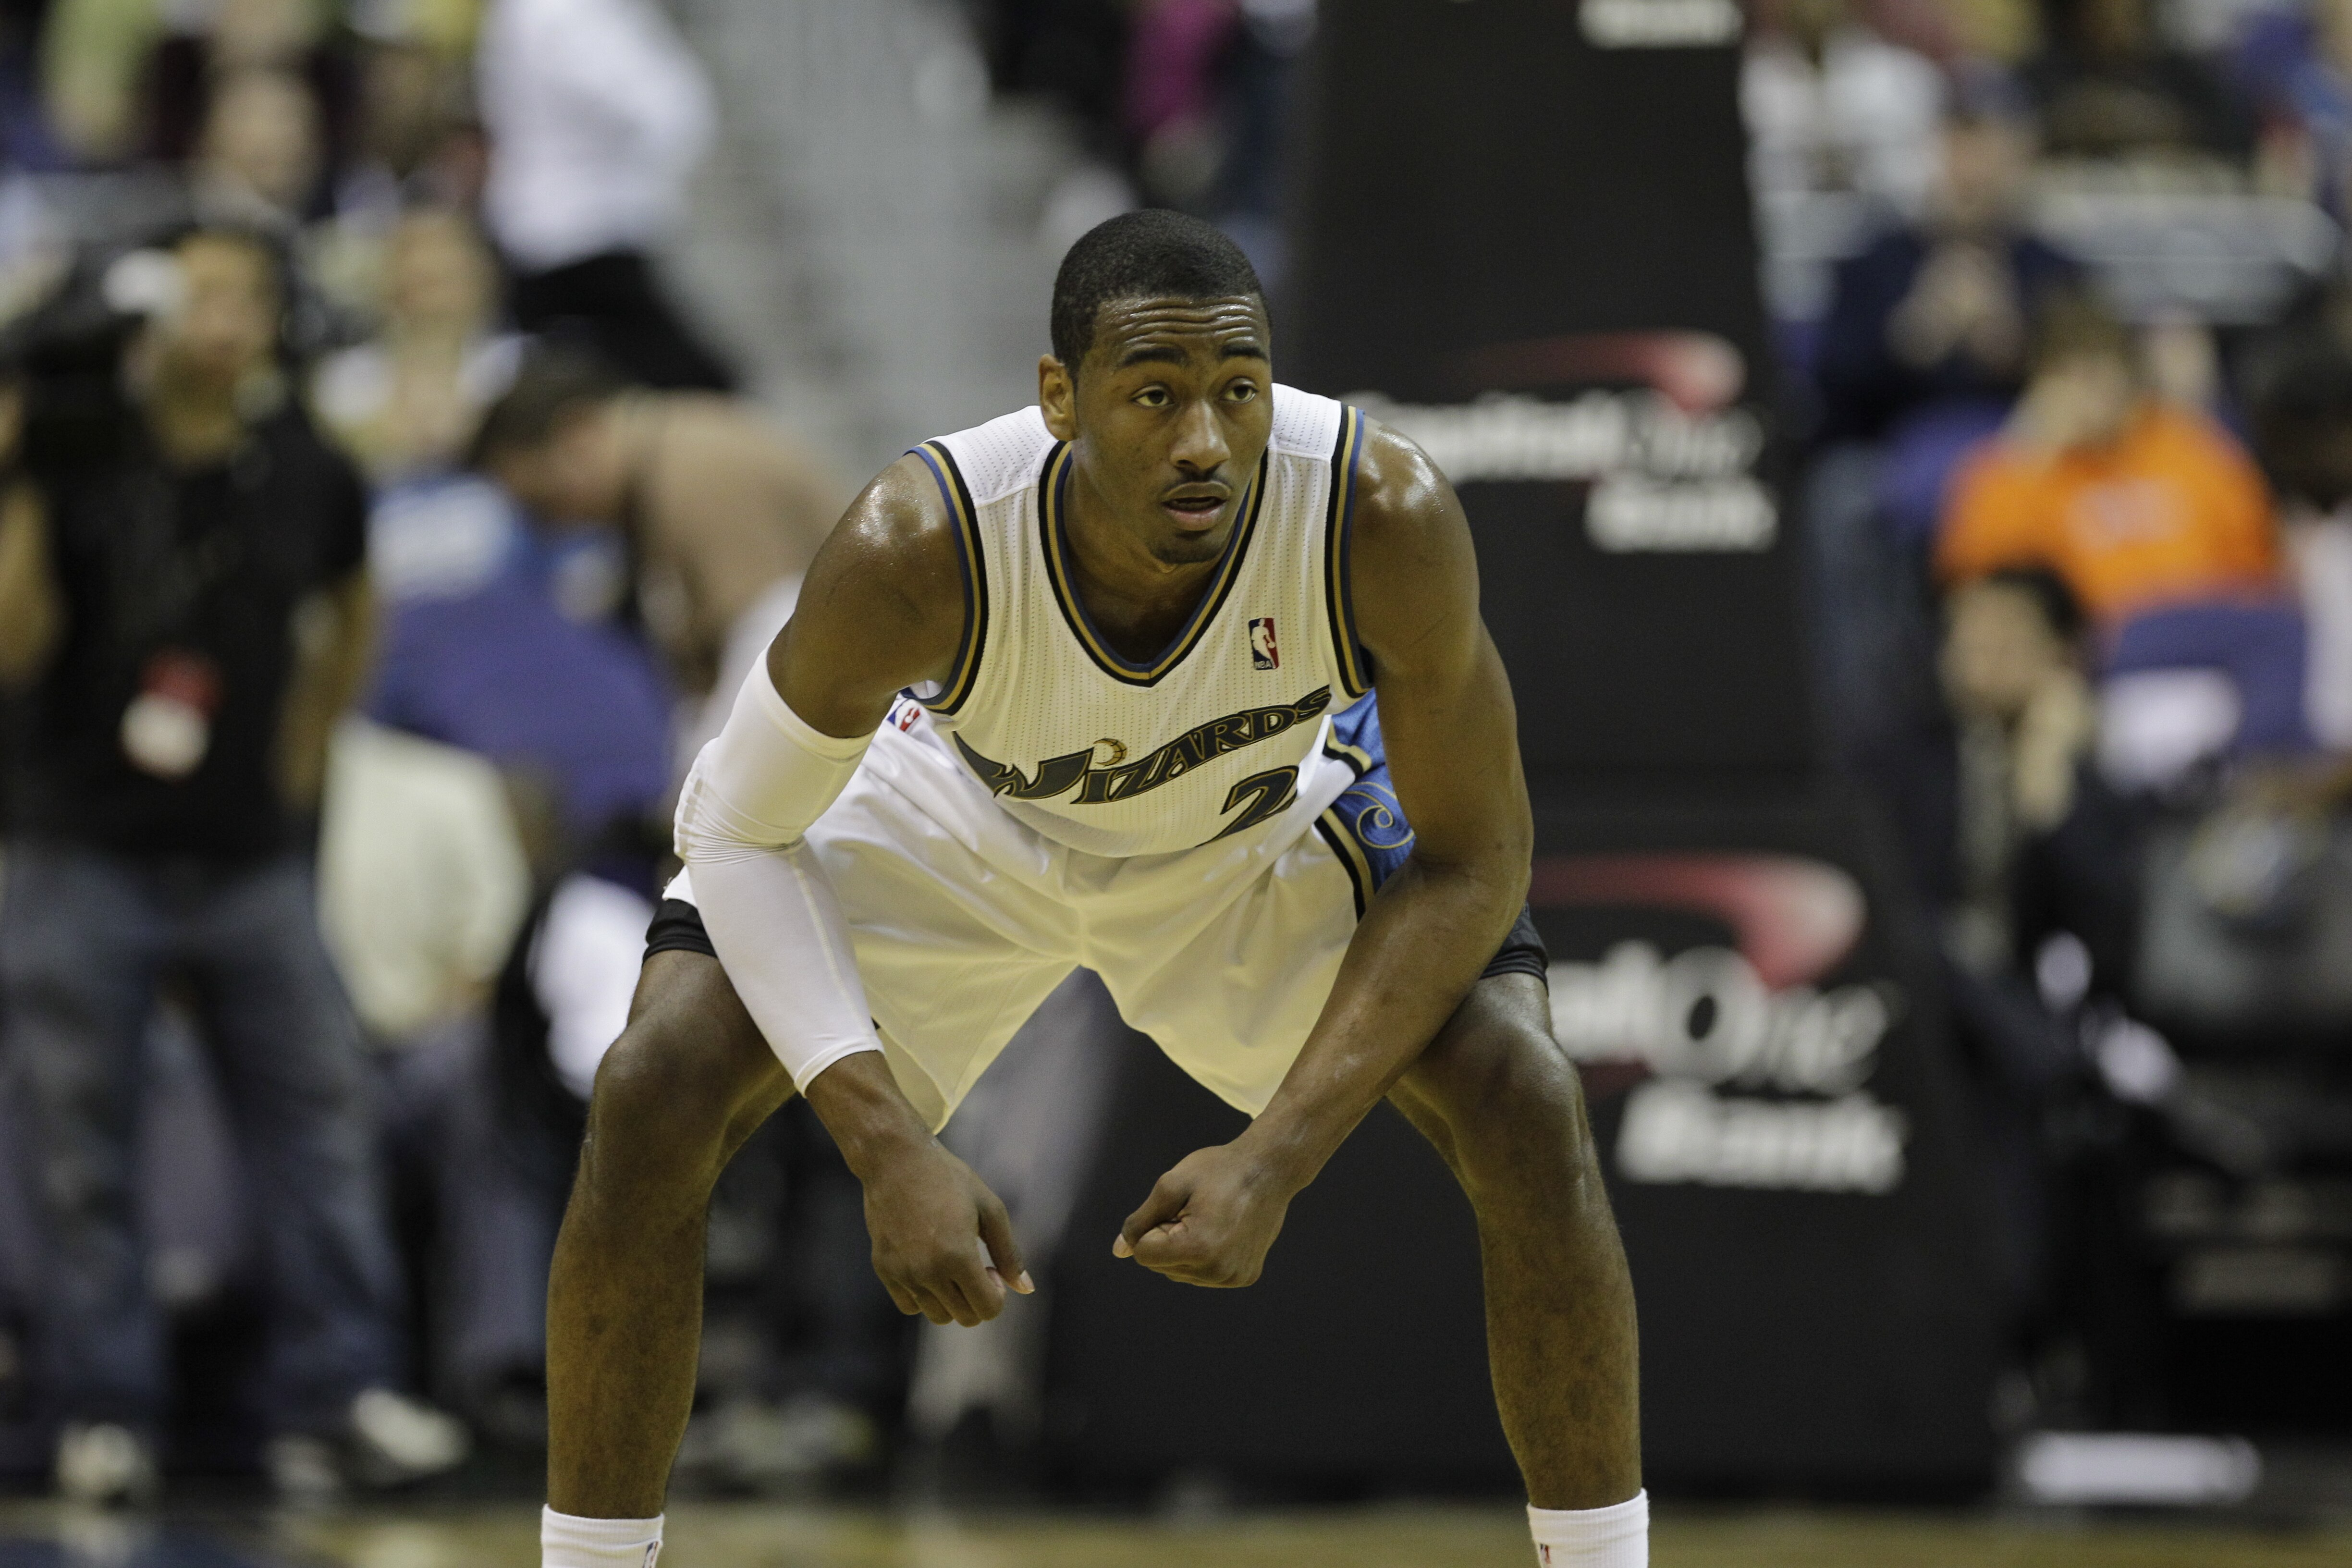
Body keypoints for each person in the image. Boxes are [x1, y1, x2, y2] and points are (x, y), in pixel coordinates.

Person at [537, 210, 1645, 1568]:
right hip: (963, 818)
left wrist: (1274, 1157)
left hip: (1247, 830)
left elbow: (1478, 860)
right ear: (1059, 398)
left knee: (1526, 1095)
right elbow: (730, 829)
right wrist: (888, 1149)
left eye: (1238, 391)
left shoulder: (1379, 513)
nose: (1204, 441)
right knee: (651, 1086)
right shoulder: (919, 539)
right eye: (1155, 395)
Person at [0, 225, 462, 1502]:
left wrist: (302, 752)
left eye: (245, 296)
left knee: (321, 1119)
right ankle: (105, 1409)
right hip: (80, 847)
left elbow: (354, 607)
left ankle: (340, 1394)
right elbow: (15, 642)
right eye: (198, 291)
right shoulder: (76, 451)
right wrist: (25, 465)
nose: (222, 317)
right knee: (80, 1143)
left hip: (251, 856)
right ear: (147, 310)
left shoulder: (307, 466)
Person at [467, 349, 843, 766]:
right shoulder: (656, 477)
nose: (554, 526)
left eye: (546, 502)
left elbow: (767, 636)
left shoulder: (699, 464)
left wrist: (703, 782)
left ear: (579, 438)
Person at [1937, 292, 2282, 629]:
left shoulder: (2194, 449)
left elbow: (2258, 568)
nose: (2090, 394)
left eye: (2101, 369)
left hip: (2199, 643)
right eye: (2070, 376)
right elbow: (1979, 584)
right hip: (2079, 651)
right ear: (2042, 384)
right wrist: (2031, 450)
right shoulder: (2016, 467)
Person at [474, 0, 731, 391]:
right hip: (581, 235)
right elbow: (662, 109)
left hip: (563, 231)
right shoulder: (562, 11)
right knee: (702, 390)